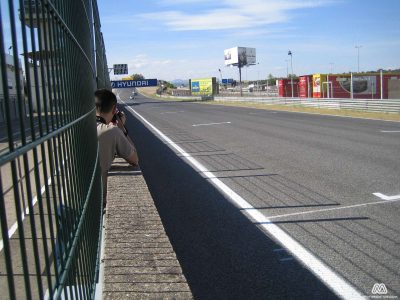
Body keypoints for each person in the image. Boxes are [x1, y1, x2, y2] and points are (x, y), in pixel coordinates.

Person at [95, 89, 139, 208]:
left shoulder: (78, 126)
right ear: (114, 109)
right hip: (95, 205)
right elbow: (134, 159)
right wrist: (121, 127)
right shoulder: (112, 131)